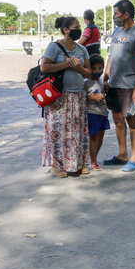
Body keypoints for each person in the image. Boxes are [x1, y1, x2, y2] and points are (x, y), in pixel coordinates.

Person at [41, 16, 92, 178]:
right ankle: (57, 166)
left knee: (77, 131)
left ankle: (78, 163)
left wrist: (78, 67)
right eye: (76, 27)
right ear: (66, 30)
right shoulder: (55, 47)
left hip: (78, 95)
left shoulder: (81, 49)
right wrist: (66, 63)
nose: (79, 29)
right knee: (58, 131)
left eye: (79, 26)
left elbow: (89, 72)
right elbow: (44, 67)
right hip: (59, 97)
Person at [102, 0, 135, 173]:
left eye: (116, 13)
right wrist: (106, 77)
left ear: (125, 14)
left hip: (129, 85)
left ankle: (134, 159)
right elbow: (110, 55)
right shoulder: (116, 31)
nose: (115, 16)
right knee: (117, 120)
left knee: (132, 121)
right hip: (113, 85)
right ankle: (122, 154)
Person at [85, 54, 110, 171]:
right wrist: (94, 97)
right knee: (93, 137)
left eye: (100, 68)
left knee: (101, 136)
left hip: (103, 113)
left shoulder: (101, 81)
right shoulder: (86, 82)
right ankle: (93, 161)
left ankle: (95, 157)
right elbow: (83, 99)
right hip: (92, 113)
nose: (97, 71)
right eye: (94, 68)